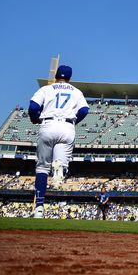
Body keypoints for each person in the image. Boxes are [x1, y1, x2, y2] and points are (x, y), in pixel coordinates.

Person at [28, 65, 89, 218]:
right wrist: (74, 122)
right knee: (61, 166)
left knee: (42, 168)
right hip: (67, 127)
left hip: (48, 124)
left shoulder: (46, 89)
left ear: (56, 75)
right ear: (70, 77)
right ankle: (60, 168)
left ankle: (39, 208)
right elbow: (84, 110)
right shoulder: (76, 91)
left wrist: (34, 118)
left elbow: (33, 106)